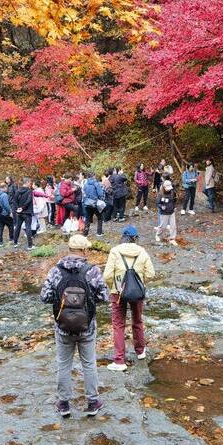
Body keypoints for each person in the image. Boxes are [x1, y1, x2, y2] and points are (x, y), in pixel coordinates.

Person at [40, 234, 109, 418]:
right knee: (89, 363)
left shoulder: (56, 270)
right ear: (84, 250)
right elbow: (104, 297)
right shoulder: (92, 270)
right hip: (87, 326)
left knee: (63, 364)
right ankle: (93, 402)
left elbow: (44, 297)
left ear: (69, 249)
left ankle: (63, 404)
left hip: (62, 326)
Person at [103, 225, 155, 371]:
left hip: (118, 292)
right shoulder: (142, 252)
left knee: (118, 325)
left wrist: (114, 287)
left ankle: (119, 361)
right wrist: (140, 283)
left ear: (123, 237)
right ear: (135, 238)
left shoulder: (115, 251)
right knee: (137, 321)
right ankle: (140, 352)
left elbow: (107, 275)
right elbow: (151, 274)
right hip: (137, 293)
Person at [12, 177, 35, 250]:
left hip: (19, 213)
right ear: (27, 182)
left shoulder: (18, 190)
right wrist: (22, 208)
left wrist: (17, 209)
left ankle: (15, 243)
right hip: (27, 212)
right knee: (28, 227)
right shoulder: (29, 191)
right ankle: (30, 246)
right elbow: (28, 201)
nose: (30, 184)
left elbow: (14, 201)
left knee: (18, 227)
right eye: (30, 182)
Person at [82, 171, 105, 237]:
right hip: (95, 203)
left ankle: (85, 234)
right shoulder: (96, 184)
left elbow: (84, 193)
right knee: (100, 217)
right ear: (93, 176)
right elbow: (100, 194)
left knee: (88, 219)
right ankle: (99, 233)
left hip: (87, 203)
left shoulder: (85, 184)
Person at [156, 180, 178, 246]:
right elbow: (157, 203)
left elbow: (174, 201)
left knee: (173, 226)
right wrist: (161, 206)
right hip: (164, 213)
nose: (168, 190)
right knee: (163, 226)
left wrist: (174, 207)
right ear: (164, 187)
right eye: (167, 188)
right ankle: (158, 235)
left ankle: (172, 239)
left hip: (171, 212)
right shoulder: (160, 194)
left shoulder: (172, 192)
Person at [0, 183, 14, 247]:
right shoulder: (4, 195)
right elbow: (6, 205)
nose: (7, 189)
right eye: (6, 188)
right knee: (11, 225)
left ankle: (0, 242)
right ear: (4, 188)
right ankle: (11, 239)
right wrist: (10, 212)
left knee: (0, 227)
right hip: (4, 213)